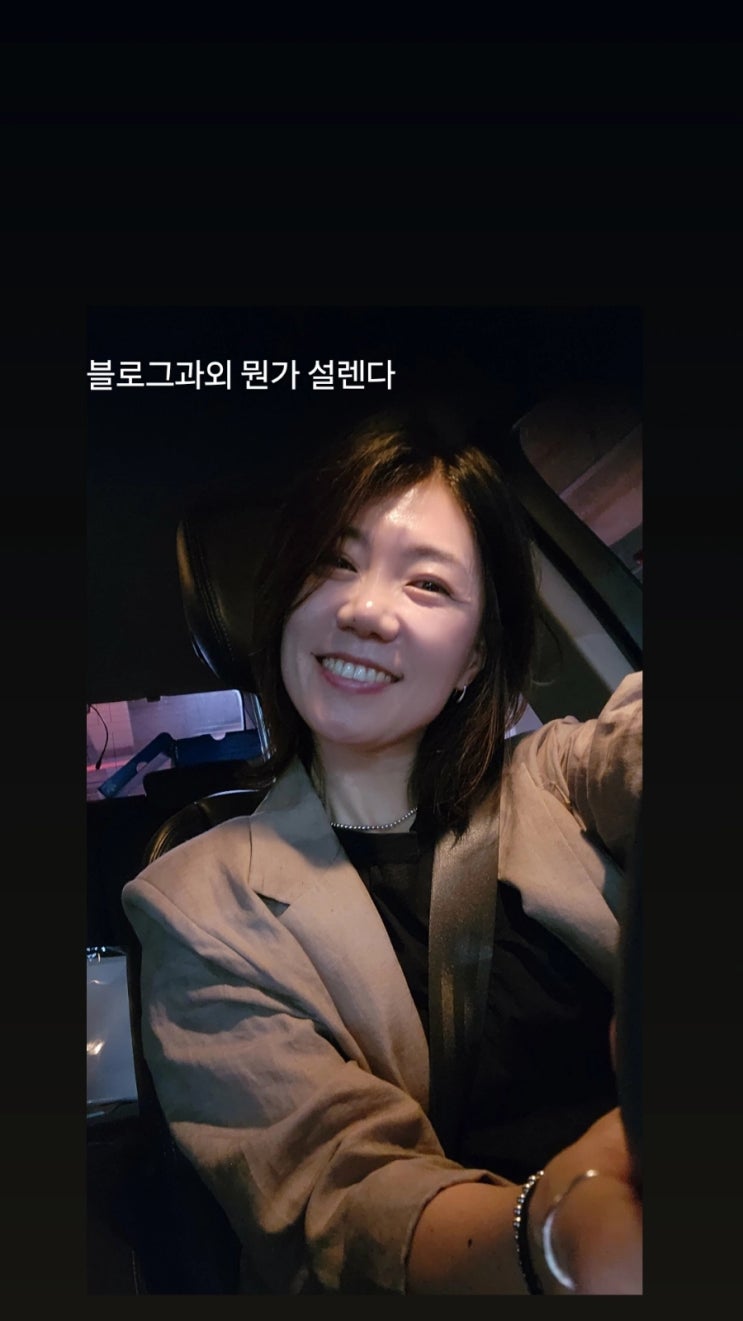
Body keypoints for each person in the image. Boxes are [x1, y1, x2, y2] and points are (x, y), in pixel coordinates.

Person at [122, 410, 642, 1294]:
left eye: (428, 583)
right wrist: (555, 1238)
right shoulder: (193, 907)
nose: (364, 609)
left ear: (473, 656)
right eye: (334, 563)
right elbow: (343, 1198)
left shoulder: (561, 776)